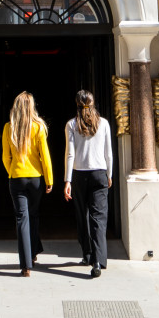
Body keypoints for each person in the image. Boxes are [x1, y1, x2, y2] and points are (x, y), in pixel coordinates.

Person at [2, 91, 53, 276]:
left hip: (17, 178)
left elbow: (5, 157)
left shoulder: (9, 127)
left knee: (22, 219)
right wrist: (49, 179)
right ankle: (32, 254)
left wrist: (12, 171)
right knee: (33, 215)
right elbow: (45, 156)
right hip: (35, 178)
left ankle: (26, 265)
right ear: (31, 107)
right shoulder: (39, 127)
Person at [64, 89, 112, 278]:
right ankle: (98, 260)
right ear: (93, 103)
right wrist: (110, 174)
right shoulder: (104, 123)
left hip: (79, 174)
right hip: (99, 173)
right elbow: (109, 153)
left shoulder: (71, 124)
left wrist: (67, 180)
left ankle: (87, 254)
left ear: (77, 104)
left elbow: (70, 154)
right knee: (98, 218)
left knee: (82, 216)